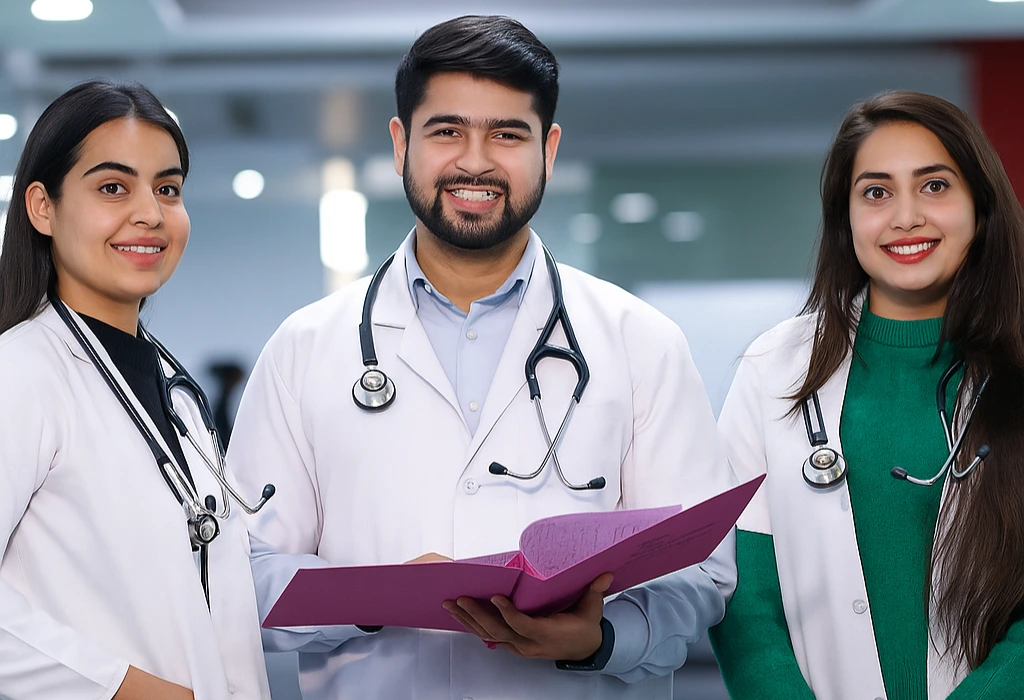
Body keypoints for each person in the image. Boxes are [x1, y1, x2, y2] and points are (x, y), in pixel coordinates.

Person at [227, 14, 737, 700]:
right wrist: (379, 595)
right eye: (447, 131)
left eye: (507, 134)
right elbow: (241, 571)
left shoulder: (640, 342)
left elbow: (700, 571)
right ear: (401, 142)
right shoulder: (305, 348)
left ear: (548, 150)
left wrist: (602, 639)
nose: (475, 161)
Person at [709, 90, 1024, 699]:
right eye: (876, 192)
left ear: (980, 208)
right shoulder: (772, 370)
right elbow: (744, 600)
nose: (905, 217)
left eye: (934, 186)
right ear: (844, 217)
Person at [0, 80, 271, 699]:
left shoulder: (173, 393)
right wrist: (120, 688)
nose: (150, 212)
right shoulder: (20, 375)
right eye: (113, 187)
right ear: (43, 207)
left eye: (168, 189)